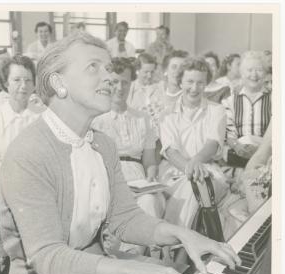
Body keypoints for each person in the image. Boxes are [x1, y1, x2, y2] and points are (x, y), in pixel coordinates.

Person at [0, 32, 240, 274]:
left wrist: (182, 234)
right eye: (94, 67)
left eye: (108, 68)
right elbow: (48, 258)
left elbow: (126, 218)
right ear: (59, 83)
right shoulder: (28, 152)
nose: (110, 77)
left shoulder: (102, 143)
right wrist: (133, 270)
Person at [92, 57, 165, 254]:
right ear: (106, 83)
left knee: (149, 201)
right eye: (114, 82)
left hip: (138, 179)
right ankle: (127, 258)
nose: (120, 87)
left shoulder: (143, 119)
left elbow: (150, 160)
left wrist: (151, 176)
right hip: (109, 178)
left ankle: (143, 256)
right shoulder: (96, 119)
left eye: (125, 82)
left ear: (131, 83)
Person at [159, 56, 229, 228]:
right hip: (174, 174)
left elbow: (212, 144)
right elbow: (170, 151)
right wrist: (191, 169)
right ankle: (179, 250)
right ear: (180, 82)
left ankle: (170, 247)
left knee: (196, 187)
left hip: (209, 171)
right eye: (189, 81)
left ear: (207, 84)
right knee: (193, 187)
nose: (194, 88)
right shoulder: (167, 113)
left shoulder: (217, 110)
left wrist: (196, 162)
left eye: (200, 82)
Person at [0, 55, 39, 180]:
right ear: (6, 83)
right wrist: (17, 175)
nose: (23, 85)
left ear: (34, 84)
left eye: (28, 80)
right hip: (1, 183)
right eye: (17, 80)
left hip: (38, 184)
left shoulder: (43, 117)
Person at [222, 51, 272, 168]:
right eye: (249, 70)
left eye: (259, 70)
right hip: (237, 155)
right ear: (242, 73)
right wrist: (237, 146)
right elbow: (229, 133)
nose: (254, 75)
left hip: (266, 156)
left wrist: (260, 151)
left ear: (265, 74)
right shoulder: (230, 101)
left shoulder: (274, 99)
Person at [127, 52, 165, 138]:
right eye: (146, 72)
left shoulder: (160, 87)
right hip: (137, 136)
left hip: (159, 137)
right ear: (137, 70)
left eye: (152, 72)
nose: (149, 76)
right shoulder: (130, 89)